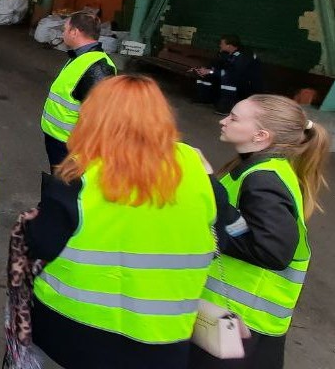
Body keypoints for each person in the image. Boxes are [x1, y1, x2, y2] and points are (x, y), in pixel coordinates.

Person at [26, 75, 220, 368]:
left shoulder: (82, 172)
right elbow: (227, 232)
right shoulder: (194, 167)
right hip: (164, 336)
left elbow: (40, 243)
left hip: (75, 331)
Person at [190, 95, 329, 369]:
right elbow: (244, 226)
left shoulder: (263, 180)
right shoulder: (259, 168)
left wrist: (212, 190)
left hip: (242, 324)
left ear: (260, 135)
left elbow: (271, 251)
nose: (223, 120)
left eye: (233, 117)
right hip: (237, 322)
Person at [40, 10, 116, 169]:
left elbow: (100, 116)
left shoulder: (98, 67)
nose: (63, 34)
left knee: (66, 188)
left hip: (71, 147)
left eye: (65, 30)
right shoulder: (80, 57)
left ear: (74, 32)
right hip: (60, 141)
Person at [194, 34, 263, 115]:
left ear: (229, 46)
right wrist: (205, 70)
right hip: (235, 77)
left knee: (228, 79)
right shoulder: (226, 53)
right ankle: (205, 99)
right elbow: (218, 65)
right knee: (205, 75)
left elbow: (233, 73)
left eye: (222, 44)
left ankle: (225, 108)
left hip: (249, 83)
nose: (220, 45)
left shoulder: (243, 56)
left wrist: (211, 71)